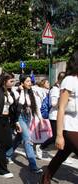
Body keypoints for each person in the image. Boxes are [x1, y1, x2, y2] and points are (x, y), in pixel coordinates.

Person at [41, 51, 78, 184]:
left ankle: (45, 178)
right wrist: (59, 135)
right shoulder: (69, 80)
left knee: (61, 155)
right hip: (69, 126)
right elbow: (61, 108)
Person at [6, 75, 43, 174]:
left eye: (30, 81)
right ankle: (33, 166)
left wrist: (41, 118)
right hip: (19, 118)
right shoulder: (16, 91)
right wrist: (20, 89)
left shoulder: (31, 93)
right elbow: (12, 91)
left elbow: (35, 107)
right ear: (22, 83)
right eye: (27, 81)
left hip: (28, 117)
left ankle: (7, 155)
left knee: (19, 138)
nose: (30, 83)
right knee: (27, 140)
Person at [36, 72, 66, 158]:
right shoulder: (55, 89)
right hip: (54, 116)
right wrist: (63, 99)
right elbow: (53, 104)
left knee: (64, 136)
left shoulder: (61, 88)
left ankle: (62, 155)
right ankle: (41, 147)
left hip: (61, 116)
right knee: (55, 137)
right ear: (61, 80)